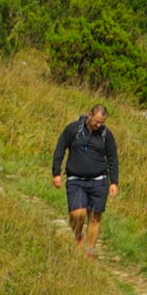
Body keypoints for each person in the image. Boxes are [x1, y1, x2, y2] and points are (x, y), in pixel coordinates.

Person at [51, 102, 120, 253]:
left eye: (102, 122)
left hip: (99, 181)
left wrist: (114, 182)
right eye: (96, 121)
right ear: (89, 115)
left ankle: (89, 251)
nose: (98, 125)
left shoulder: (105, 134)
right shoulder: (73, 129)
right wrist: (56, 172)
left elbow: (112, 158)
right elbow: (60, 149)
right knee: (77, 213)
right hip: (76, 180)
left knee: (95, 218)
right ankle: (77, 235)